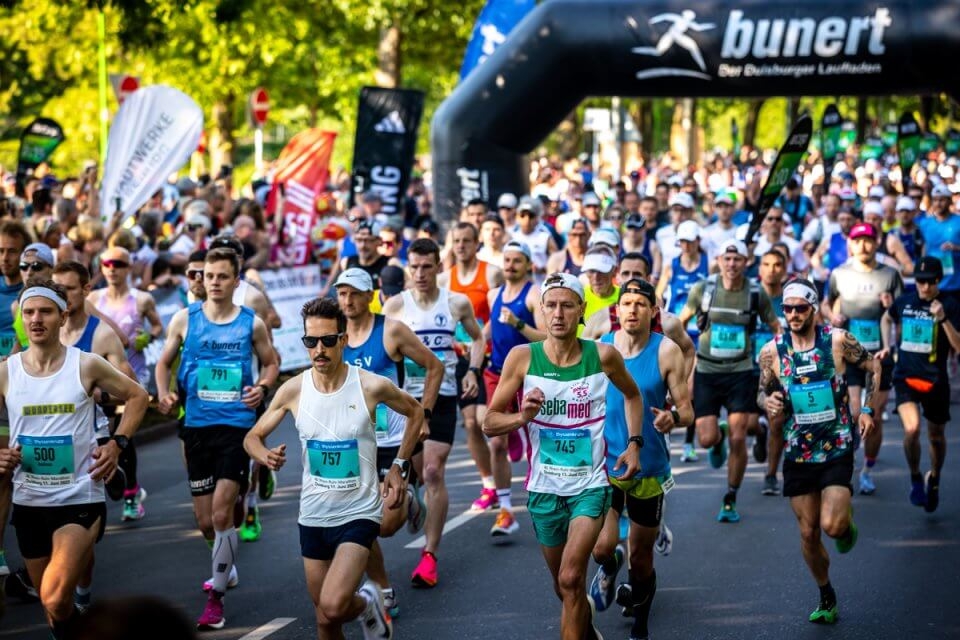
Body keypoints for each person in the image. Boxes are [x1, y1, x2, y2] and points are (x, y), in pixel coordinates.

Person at [244, 297, 427, 640]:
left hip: (359, 512)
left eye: (328, 340)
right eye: (311, 342)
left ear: (343, 340)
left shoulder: (370, 385)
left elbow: (415, 412)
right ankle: (365, 605)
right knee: (326, 619)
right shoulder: (294, 389)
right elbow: (252, 437)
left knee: (333, 603)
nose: (319, 350)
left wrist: (400, 466)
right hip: (313, 515)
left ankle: (369, 601)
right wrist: (263, 455)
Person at [483, 272, 642, 640]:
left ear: (581, 311)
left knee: (572, 576)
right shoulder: (522, 358)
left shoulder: (603, 356)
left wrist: (634, 443)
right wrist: (522, 416)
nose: (558, 314)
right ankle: (586, 629)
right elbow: (490, 422)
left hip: (590, 485)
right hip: (543, 489)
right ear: (541, 311)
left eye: (567, 305)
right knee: (564, 588)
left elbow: (633, 396)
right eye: (551, 305)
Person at [0, 281, 149, 639]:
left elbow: (138, 397)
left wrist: (116, 444)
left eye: (46, 311)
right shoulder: (7, 371)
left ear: (63, 315)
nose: (36, 319)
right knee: (56, 607)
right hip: (29, 499)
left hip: (79, 497)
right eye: (29, 312)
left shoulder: (85, 365)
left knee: (53, 593)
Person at [154, 248, 279, 630]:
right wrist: (163, 393)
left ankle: (216, 599)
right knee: (205, 521)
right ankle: (225, 564)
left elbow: (272, 362)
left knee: (224, 513)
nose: (214, 282)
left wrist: (262, 386)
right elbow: (163, 362)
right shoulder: (184, 319)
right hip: (196, 427)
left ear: (236, 281)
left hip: (236, 427)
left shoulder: (250, 323)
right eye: (209, 275)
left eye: (223, 276)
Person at [757, 279, 879, 625]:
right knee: (809, 532)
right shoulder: (772, 351)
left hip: (837, 445)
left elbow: (873, 367)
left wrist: (867, 409)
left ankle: (845, 529)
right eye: (788, 309)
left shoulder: (837, 341)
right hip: (797, 451)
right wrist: (769, 401)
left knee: (833, 526)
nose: (793, 314)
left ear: (813, 309)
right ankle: (826, 593)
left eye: (800, 308)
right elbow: (760, 394)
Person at [588, 279, 693, 640]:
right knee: (601, 547)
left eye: (639, 304)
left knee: (642, 558)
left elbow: (688, 411)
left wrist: (672, 418)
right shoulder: (601, 349)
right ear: (616, 311)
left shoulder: (667, 352)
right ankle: (610, 562)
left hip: (649, 466)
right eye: (626, 303)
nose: (631, 310)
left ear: (653, 311)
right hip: (607, 464)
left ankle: (641, 626)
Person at [336, 267, 442, 617]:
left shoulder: (390, 330)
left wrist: (423, 413)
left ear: (371, 296)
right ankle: (383, 590)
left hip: (394, 441)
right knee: (360, 521)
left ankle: (411, 502)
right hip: (354, 444)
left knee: (385, 525)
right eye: (342, 293)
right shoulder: (333, 338)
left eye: (355, 293)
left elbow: (434, 366)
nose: (348, 300)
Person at [381, 238, 484, 588]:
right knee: (414, 476)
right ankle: (414, 501)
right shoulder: (394, 306)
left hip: (442, 396)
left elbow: (477, 338)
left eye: (428, 267)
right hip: (402, 400)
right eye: (415, 267)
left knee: (433, 471)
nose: (421, 274)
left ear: (440, 267)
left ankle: (429, 555)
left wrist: (472, 369)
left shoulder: (456, 302)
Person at [678, 240, 781, 522]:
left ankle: (730, 496)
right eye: (727, 258)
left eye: (738, 259)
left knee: (739, 437)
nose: (732, 264)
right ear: (719, 260)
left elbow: (776, 327)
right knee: (706, 437)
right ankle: (718, 436)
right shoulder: (704, 289)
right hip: (708, 372)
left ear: (746, 262)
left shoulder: (755, 293)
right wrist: (686, 356)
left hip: (741, 371)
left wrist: (776, 360)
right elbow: (680, 322)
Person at [823, 222, 902, 495]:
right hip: (851, 354)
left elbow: (902, 313)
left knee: (875, 415)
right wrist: (832, 317)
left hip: (879, 356)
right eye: (858, 241)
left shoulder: (890, 275)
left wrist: (892, 308)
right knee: (856, 411)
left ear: (876, 242)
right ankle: (852, 456)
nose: (864, 246)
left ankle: (868, 468)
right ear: (850, 244)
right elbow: (824, 303)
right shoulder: (839, 274)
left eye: (869, 240)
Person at [86, 246, 163, 518]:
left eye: (118, 263)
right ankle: (119, 481)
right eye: (106, 262)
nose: (112, 268)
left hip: (133, 375)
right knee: (104, 437)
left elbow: (157, 326)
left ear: (128, 267)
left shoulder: (141, 299)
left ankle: (130, 493)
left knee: (123, 437)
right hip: (101, 378)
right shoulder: (93, 298)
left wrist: (148, 337)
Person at [479, 241, 546, 535]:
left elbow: (545, 337)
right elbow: (485, 333)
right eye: (506, 260)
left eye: (516, 260)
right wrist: (472, 364)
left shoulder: (533, 295)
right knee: (494, 439)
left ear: (528, 264)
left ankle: (549, 494)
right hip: (496, 372)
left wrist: (519, 323)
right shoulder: (494, 294)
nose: (510, 265)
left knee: (539, 438)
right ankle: (506, 510)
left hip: (528, 375)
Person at [884, 257, 960, 512]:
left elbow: (958, 347)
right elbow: (887, 317)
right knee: (913, 429)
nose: (924, 287)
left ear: (939, 281)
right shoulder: (906, 300)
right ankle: (916, 477)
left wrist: (943, 319)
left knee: (936, 437)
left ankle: (935, 478)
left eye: (930, 282)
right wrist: (887, 345)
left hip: (936, 381)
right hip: (905, 375)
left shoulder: (950, 304)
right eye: (920, 281)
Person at [0, 220, 29, 594]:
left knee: (5, 472)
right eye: (1, 250)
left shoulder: (35, 294)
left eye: (12, 251)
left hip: (19, 395)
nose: (5, 258)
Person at [751, 251, 787, 496]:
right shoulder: (749, 295)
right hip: (748, 368)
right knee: (747, 424)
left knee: (777, 421)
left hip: (779, 371)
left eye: (777, 265)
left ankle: (771, 474)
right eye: (766, 264)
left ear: (784, 269)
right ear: (759, 269)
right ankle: (758, 432)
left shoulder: (791, 299)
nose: (772, 269)